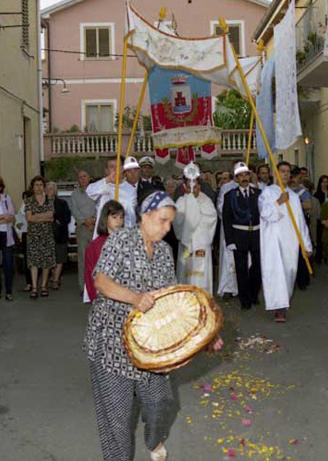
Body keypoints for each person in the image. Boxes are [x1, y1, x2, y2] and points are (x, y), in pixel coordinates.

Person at [84, 190, 223, 461]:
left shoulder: (164, 251)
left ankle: (153, 438)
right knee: (117, 418)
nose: (167, 228)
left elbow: (170, 302)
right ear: (144, 216)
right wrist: (135, 298)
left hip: (151, 346)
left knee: (160, 403)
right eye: (162, 220)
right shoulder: (120, 240)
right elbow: (100, 281)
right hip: (111, 344)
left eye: (170, 222)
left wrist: (206, 336)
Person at [259, 162, 312, 322]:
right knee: (275, 273)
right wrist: (279, 202)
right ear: (276, 173)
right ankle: (278, 308)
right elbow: (265, 214)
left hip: (290, 241)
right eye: (282, 171)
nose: (286, 174)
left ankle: (284, 302)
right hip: (273, 240)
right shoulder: (267, 193)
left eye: (288, 171)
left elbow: (300, 222)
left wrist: (306, 244)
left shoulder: (294, 197)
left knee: (289, 272)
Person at [222, 162, 262, 310]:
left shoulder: (258, 194)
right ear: (236, 179)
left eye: (246, 175)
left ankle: (253, 294)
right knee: (241, 268)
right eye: (240, 176)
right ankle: (244, 300)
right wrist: (230, 240)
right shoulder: (230, 196)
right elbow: (227, 220)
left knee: (257, 267)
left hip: (256, 234)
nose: (244, 178)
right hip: (239, 234)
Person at [174, 173, 218, 295]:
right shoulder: (181, 201)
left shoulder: (206, 201)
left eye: (195, 187)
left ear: (200, 187)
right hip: (187, 243)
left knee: (201, 273)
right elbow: (177, 220)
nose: (193, 190)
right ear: (185, 187)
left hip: (201, 242)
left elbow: (211, 218)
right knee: (186, 272)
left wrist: (195, 211)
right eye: (189, 187)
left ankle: (203, 299)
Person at [84, 200, 125, 303]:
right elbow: (90, 274)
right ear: (105, 219)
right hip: (103, 297)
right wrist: (94, 299)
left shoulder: (127, 242)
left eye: (121, 217)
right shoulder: (95, 246)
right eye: (114, 217)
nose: (118, 221)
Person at [87, 156, 138, 238]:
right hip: (104, 234)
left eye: (117, 166)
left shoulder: (130, 189)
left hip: (123, 235)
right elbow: (89, 191)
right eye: (111, 167)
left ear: (122, 169)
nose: (115, 169)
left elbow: (130, 215)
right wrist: (107, 180)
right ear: (107, 171)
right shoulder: (103, 185)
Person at [25, 176, 56, 299]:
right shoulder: (28, 201)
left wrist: (37, 216)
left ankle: (43, 286)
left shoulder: (49, 200)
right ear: (33, 187)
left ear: (44, 186)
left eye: (40, 185)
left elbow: (51, 217)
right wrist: (43, 216)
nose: (38, 187)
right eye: (36, 185)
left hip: (47, 235)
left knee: (46, 261)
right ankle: (34, 287)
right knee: (34, 261)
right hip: (33, 235)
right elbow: (29, 218)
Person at [216, 162, 242, 298]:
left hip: (243, 229)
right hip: (229, 227)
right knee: (228, 258)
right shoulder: (226, 188)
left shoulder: (250, 187)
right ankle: (227, 287)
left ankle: (242, 285)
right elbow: (220, 207)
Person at [71, 170, 97, 296]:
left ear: (89, 178)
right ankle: (83, 286)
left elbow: (100, 206)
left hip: (97, 228)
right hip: (82, 229)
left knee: (97, 258)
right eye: (80, 177)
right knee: (83, 258)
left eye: (85, 176)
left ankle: (97, 285)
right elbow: (75, 211)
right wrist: (86, 221)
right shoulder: (74, 195)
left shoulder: (96, 191)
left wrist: (94, 220)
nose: (82, 179)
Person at [290, 167, 313, 291]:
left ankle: (302, 280)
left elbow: (309, 206)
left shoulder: (302, 191)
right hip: (287, 226)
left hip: (300, 223)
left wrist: (294, 202)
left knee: (302, 251)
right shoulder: (284, 190)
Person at [47, 181, 72, 290]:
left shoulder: (62, 203)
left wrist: (56, 218)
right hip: (46, 235)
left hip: (60, 235)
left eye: (51, 189)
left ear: (55, 191)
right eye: (47, 189)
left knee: (59, 258)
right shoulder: (41, 203)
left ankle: (56, 280)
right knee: (49, 259)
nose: (49, 191)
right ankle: (53, 277)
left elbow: (67, 218)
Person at [313, 175, 328, 263]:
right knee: (320, 237)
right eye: (323, 182)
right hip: (321, 218)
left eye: (326, 182)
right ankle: (320, 255)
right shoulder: (317, 194)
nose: (325, 184)